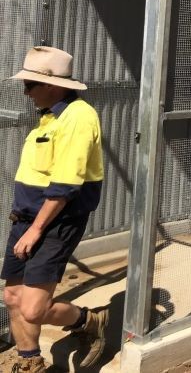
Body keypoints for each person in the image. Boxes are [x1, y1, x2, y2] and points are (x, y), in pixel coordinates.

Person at [2, 47, 108, 373]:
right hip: (26, 218)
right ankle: (29, 360)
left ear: (52, 85)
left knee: (33, 309)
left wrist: (36, 231)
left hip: (55, 222)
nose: (26, 91)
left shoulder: (78, 116)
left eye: (31, 85)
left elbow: (65, 184)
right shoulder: (50, 116)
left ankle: (89, 321)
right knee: (13, 298)